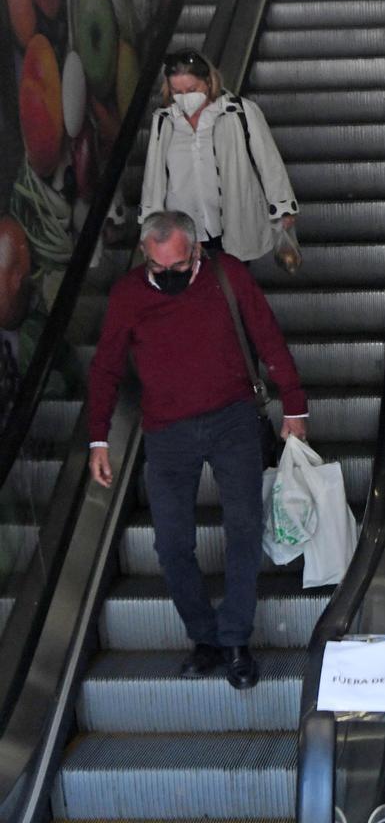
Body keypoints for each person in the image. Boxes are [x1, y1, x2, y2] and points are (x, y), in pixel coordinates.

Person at [87, 210, 308, 689]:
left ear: (197, 252)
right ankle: (204, 638)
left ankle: (234, 640)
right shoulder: (128, 294)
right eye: (158, 270)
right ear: (146, 255)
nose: (168, 278)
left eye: (179, 268)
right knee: (170, 544)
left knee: (245, 528)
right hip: (167, 433)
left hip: (232, 419)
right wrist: (98, 437)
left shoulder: (226, 275)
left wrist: (294, 404)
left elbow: (267, 335)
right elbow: (105, 368)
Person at [139, 48, 298, 262]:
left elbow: (268, 161)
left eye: (192, 89)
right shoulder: (165, 120)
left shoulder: (240, 112)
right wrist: (150, 223)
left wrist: (283, 207)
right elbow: (154, 176)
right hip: (185, 227)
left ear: (208, 82)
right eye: (177, 92)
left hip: (233, 220)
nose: (185, 98)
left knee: (231, 282)